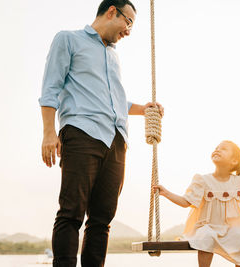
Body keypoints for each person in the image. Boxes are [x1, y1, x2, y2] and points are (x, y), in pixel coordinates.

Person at [38, 0, 164, 266]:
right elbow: (51, 88)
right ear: (111, 12)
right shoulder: (68, 39)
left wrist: (144, 108)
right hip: (82, 132)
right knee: (72, 212)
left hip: (117, 140)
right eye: (128, 22)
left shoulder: (113, 55)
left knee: (102, 219)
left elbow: (116, 100)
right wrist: (49, 133)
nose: (128, 31)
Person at [154, 140, 240, 267]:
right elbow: (185, 202)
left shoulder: (239, 181)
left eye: (223, 148)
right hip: (207, 226)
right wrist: (166, 193)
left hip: (230, 229)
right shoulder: (202, 180)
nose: (217, 149)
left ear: (234, 160)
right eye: (216, 147)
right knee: (207, 236)